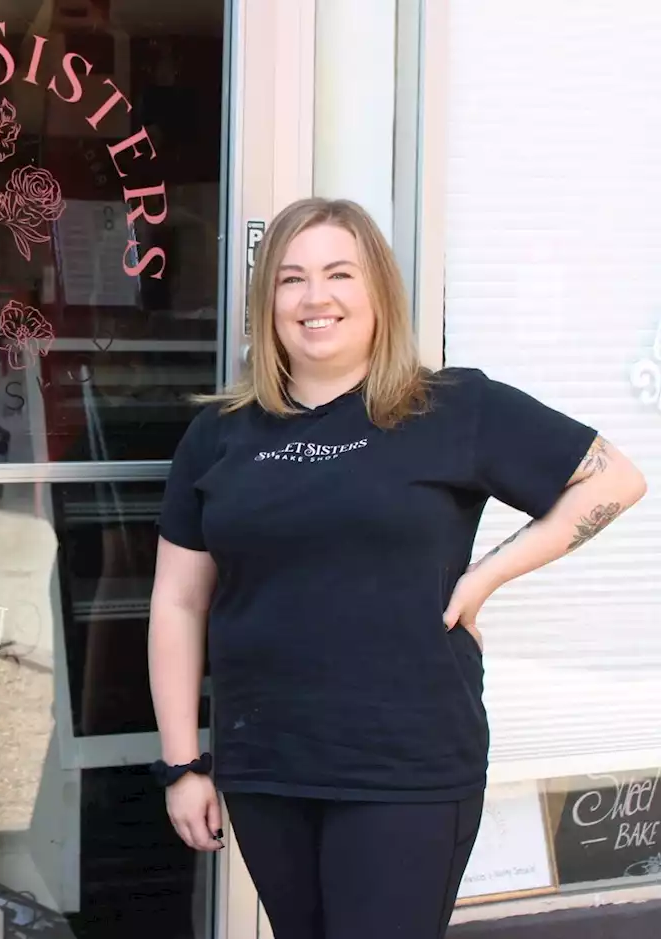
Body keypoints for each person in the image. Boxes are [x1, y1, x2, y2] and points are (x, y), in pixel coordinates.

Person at [147, 197, 647, 939]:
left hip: (405, 764)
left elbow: (614, 478)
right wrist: (182, 765)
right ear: (268, 303)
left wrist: (484, 576)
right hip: (269, 763)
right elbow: (179, 601)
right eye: (291, 280)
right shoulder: (219, 434)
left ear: (377, 290)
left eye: (338, 274)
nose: (316, 298)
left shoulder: (450, 408)